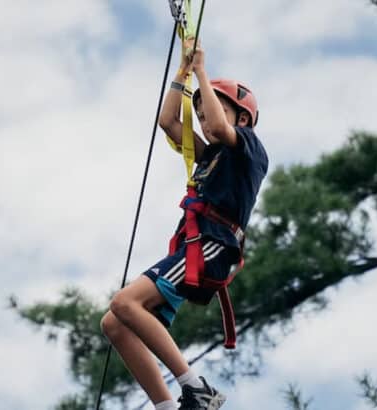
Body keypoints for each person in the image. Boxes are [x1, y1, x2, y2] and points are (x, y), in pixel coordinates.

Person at [100, 39, 269, 410]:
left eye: (212, 113)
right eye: (204, 117)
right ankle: (168, 407)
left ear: (241, 118)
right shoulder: (211, 157)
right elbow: (168, 122)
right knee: (114, 323)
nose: (206, 123)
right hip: (194, 247)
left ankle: (197, 389)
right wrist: (183, 74)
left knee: (125, 302)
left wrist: (203, 73)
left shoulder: (249, 149)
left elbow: (224, 130)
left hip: (213, 245)